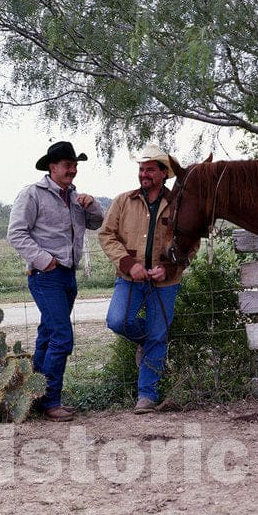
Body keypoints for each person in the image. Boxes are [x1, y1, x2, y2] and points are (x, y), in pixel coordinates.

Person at [7, 140, 104, 421]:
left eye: (75, 165)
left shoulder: (75, 197)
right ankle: (51, 402)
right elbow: (16, 234)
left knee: (49, 335)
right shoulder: (32, 194)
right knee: (62, 337)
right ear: (53, 167)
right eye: (67, 165)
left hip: (68, 275)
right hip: (46, 275)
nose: (72, 170)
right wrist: (43, 260)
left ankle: (34, 396)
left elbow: (97, 224)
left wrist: (92, 205)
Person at [98, 143, 187, 414]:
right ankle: (146, 342)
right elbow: (106, 235)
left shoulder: (177, 204)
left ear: (163, 173)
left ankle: (146, 397)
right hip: (130, 280)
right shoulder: (123, 201)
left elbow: (188, 243)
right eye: (141, 169)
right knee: (118, 321)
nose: (144, 174)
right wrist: (127, 263)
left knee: (159, 335)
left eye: (150, 169)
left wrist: (169, 269)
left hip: (165, 283)